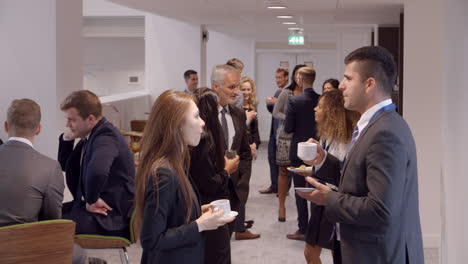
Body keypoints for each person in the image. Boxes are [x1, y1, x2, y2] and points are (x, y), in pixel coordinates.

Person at [298, 46, 424, 264]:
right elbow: (358, 178)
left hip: (376, 255)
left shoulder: (385, 132)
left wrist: (329, 198)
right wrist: (323, 160)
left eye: (348, 78)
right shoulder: (376, 124)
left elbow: (380, 209)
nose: (342, 86)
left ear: (369, 84)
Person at [135, 90, 234, 264]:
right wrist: (200, 224)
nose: (203, 122)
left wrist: (199, 212)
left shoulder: (176, 163)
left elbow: (173, 217)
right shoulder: (164, 173)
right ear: (177, 125)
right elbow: (152, 239)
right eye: (196, 117)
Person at [0, 99, 87, 264]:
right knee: (79, 254)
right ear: (38, 129)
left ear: (6, 126)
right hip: (25, 249)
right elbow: (52, 222)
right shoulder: (50, 167)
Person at [58, 90, 135, 239]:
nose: (67, 124)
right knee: (46, 216)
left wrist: (91, 200)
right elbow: (64, 165)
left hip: (110, 217)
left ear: (90, 119)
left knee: (49, 229)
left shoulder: (106, 137)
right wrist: (67, 139)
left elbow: (98, 172)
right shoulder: (93, 133)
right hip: (95, 210)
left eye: (72, 120)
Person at [303, 90, 359, 264]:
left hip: (334, 202)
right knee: (310, 252)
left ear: (332, 112)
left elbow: (342, 177)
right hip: (322, 203)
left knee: (337, 253)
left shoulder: (346, 141)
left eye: (320, 106)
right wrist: (314, 169)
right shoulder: (327, 135)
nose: (315, 109)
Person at [190, 87, 240, 264]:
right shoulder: (204, 141)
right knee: (217, 254)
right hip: (210, 205)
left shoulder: (203, 138)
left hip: (205, 205)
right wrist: (227, 170)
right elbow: (209, 182)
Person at [211, 64, 258, 240]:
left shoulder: (238, 113)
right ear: (216, 87)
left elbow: (245, 152)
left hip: (233, 189)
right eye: (232, 87)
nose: (237, 92)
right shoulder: (203, 115)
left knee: (224, 244)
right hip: (209, 192)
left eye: (237, 86)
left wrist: (242, 184)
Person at [283, 66, 320, 240]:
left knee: (300, 190)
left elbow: (288, 127)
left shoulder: (294, 101)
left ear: (299, 79)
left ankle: (303, 228)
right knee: (317, 188)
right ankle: (316, 229)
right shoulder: (321, 100)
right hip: (319, 151)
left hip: (299, 151)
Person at [273, 64, 305, 224]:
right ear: (293, 76)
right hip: (286, 137)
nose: (300, 78)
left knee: (301, 173)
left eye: (303, 75)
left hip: (303, 138)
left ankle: (303, 213)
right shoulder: (286, 92)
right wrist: (289, 118)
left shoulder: (309, 94)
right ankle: (281, 207)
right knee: (283, 172)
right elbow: (276, 112)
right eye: (298, 75)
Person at [259, 67, 289, 194]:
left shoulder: (289, 92)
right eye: (276, 77)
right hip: (274, 131)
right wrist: (269, 103)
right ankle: (274, 186)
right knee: (272, 158)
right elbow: (274, 111)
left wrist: (276, 101)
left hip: (283, 133)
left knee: (284, 162)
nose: (277, 80)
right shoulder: (278, 92)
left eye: (280, 77)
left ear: (286, 78)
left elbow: (289, 110)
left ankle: (284, 189)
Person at [240, 76, 261, 160]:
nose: (246, 92)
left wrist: (254, 144)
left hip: (249, 148)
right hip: (239, 148)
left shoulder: (253, 107)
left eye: (248, 89)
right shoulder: (235, 107)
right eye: (243, 89)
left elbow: (255, 129)